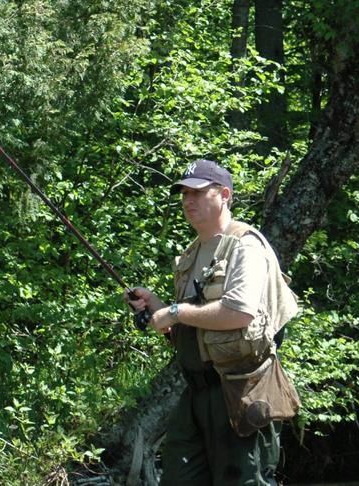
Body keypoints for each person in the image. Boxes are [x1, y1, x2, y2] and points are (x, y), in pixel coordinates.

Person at [127, 159, 300, 486]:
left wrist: (175, 312)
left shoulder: (246, 246)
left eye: (197, 192)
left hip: (240, 393)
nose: (187, 200)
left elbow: (239, 312)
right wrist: (157, 306)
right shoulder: (192, 254)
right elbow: (196, 324)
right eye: (183, 194)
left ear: (224, 194)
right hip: (195, 395)